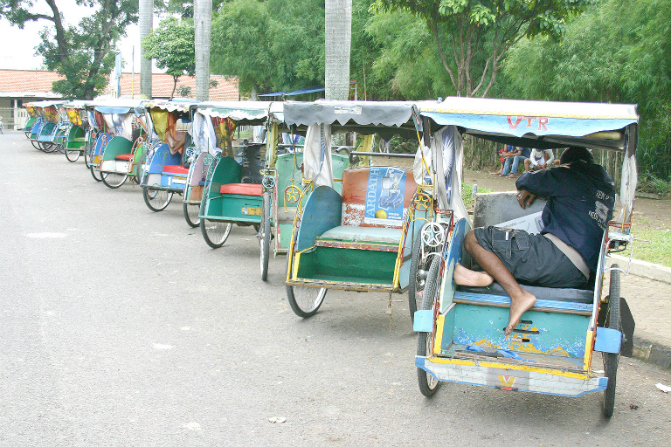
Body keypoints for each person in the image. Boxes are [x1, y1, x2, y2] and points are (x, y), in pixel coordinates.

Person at [454, 147, 615, 336]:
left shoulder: (568, 175)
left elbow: (525, 180)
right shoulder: (607, 188)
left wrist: (534, 186)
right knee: (511, 251)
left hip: (555, 257)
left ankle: (518, 295)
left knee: (475, 238)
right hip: (581, 275)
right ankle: (487, 275)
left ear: (567, 164)